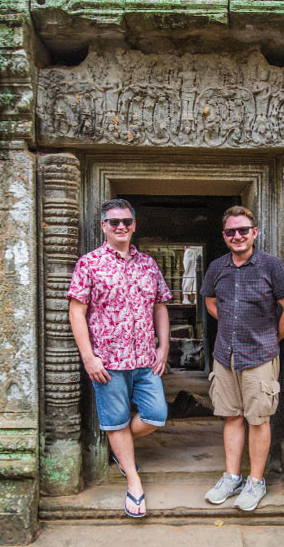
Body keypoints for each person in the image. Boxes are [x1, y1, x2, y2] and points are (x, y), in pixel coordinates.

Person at [67, 198, 171, 518]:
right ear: (104, 227)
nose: (121, 226)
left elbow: (160, 306)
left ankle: (118, 442)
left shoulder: (148, 265)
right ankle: (134, 481)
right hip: (108, 362)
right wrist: (88, 357)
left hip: (144, 359)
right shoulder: (89, 263)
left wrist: (163, 347)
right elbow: (76, 311)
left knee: (156, 415)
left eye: (126, 221)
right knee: (115, 422)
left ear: (134, 225)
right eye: (114, 222)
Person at [200, 205, 284, 511]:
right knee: (231, 415)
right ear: (224, 236)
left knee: (258, 419)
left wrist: (271, 336)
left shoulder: (272, 266)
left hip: (260, 356)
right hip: (224, 355)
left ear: (254, 233)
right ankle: (232, 477)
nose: (237, 236)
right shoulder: (218, 267)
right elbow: (210, 301)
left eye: (243, 230)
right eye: (231, 231)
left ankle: (255, 482)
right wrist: (233, 326)